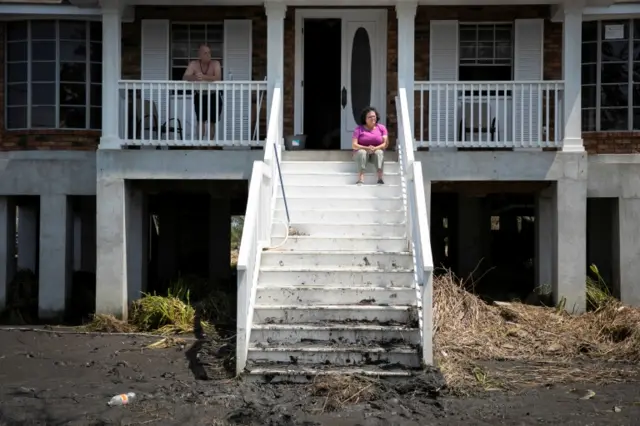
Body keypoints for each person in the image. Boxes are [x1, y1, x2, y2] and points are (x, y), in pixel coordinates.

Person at [183, 44, 222, 139]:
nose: (208, 55)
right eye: (205, 53)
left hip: (214, 95)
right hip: (200, 95)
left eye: (209, 52)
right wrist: (194, 77)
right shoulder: (194, 64)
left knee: (212, 121)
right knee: (200, 120)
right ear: (199, 55)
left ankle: (210, 145)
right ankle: (200, 144)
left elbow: (218, 78)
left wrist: (204, 77)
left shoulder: (215, 63)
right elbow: (184, 77)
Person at [352, 106, 388, 185]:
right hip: (361, 153)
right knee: (362, 152)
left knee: (379, 152)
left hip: (375, 153)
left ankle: (380, 178)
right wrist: (367, 148)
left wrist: (375, 148)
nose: (372, 118)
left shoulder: (381, 128)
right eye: (370, 117)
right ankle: (361, 178)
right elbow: (354, 145)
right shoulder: (359, 129)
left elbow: (385, 144)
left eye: (374, 116)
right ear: (365, 119)